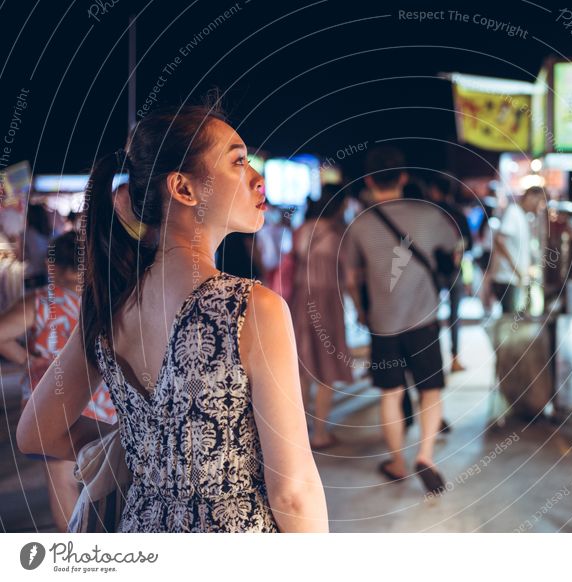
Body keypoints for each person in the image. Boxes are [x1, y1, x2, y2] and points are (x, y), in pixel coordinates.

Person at [16, 104, 328, 532]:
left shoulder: (112, 306)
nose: (259, 178)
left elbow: (37, 433)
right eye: (238, 161)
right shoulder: (250, 308)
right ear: (183, 188)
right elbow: (293, 490)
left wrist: (145, 449)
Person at [345, 146, 458, 495]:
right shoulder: (428, 214)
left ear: (368, 180)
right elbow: (455, 249)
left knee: (391, 394)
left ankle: (397, 462)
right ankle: (425, 455)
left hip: (383, 326)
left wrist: (363, 312)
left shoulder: (360, 224)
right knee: (431, 391)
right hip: (424, 322)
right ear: (404, 177)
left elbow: (351, 277)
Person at [0, 232, 117, 532]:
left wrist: (28, 360)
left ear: (53, 266)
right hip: (104, 400)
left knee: (61, 479)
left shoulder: (40, 302)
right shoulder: (108, 299)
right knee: (108, 474)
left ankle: (73, 554)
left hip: (53, 402)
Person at [290, 185, 353, 450]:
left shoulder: (301, 230)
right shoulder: (339, 233)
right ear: (338, 206)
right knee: (326, 367)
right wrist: (360, 307)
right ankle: (320, 433)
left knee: (303, 366)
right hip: (326, 301)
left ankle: (300, 430)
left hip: (300, 298)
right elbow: (349, 276)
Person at [427, 175, 473, 372]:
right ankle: (455, 358)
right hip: (455, 269)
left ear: (435, 190)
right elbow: (468, 242)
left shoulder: (429, 213)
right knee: (455, 316)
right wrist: (457, 253)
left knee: (430, 316)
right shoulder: (458, 213)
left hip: (432, 271)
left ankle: (432, 359)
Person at [490, 186, 546, 314]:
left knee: (514, 318)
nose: (540, 207)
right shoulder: (513, 212)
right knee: (510, 319)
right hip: (507, 278)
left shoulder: (521, 215)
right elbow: (499, 240)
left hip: (514, 278)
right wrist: (516, 268)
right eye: (540, 201)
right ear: (531, 197)